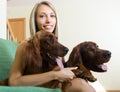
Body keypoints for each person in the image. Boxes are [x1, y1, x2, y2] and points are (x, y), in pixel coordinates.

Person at [9, 1, 96, 92]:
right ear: (34, 20)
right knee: (82, 86)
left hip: (58, 83)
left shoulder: (55, 45)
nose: (48, 20)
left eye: (52, 16)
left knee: (87, 85)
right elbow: (14, 82)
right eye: (42, 16)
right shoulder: (26, 45)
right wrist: (54, 74)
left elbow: (60, 69)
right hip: (48, 84)